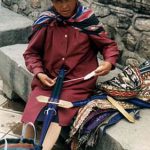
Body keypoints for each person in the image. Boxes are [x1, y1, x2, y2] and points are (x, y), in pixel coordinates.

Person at [21, 0, 119, 149]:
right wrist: (39, 72)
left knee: (59, 115)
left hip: (77, 82)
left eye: (67, 0)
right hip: (48, 80)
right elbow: (31, 53)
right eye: (58, 2)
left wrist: (108, 62)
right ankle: (23, 145)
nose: (64, 6)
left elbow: (108, 45)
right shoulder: (47, 21)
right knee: (32, 112)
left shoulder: (87, 20)